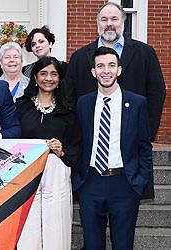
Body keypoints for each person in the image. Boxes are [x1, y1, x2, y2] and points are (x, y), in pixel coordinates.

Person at [73, 46, 152, 250]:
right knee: (92, 244)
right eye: (100, 66)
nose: (105, 71)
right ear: (93, 72)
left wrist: (140, 180)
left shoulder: (136, 103)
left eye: (111, 65)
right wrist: (78, 181)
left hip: (124, 183)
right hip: (90, 182)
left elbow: (144, 146)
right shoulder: (84, 103)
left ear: (119, 70)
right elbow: (78, 142)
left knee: (123, 244)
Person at [15, 56, 80, 250]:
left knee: (56, 228)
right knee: (27, 230)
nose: (48, 78)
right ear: (35, 77)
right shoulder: (21, 105)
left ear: (60, 78)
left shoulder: (68, 110)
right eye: (43, 73)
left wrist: (62, 151)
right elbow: (12, 138)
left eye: (54, 74)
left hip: (56, 173)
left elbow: (76, 146)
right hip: (26, 173)